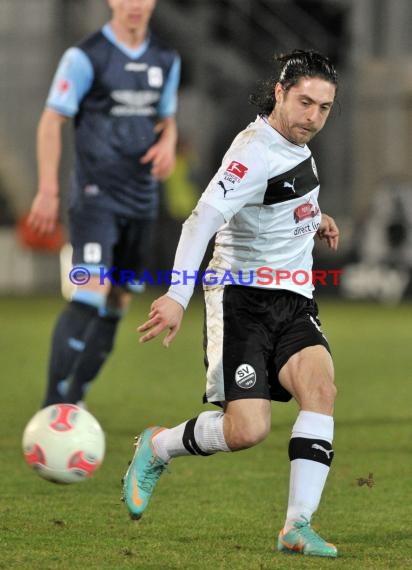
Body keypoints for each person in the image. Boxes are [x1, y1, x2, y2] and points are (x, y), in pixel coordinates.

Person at [122, 50, 340, 558]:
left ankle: (296, 526)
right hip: (241, 298)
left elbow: (282, 197)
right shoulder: (251, 153)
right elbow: (200, 220)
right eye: (305, 102)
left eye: (324, 108)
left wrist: (314, 218)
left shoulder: (296, 143)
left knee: (321, 387)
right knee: (248, 430)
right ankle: (157, 447)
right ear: (280, 94)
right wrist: (178, 295)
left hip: (295, 298)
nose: (313, 117)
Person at [27, 0, 181, 407]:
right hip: (96, 198)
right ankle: (51, 408)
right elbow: (51, 120)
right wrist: (47, 190)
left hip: (142, 201)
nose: (133, 4)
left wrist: (167, 142)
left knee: (118, 300)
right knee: (88, 292)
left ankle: (74, 399)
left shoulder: (166, 58)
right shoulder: (85, 56)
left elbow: (166, 118)